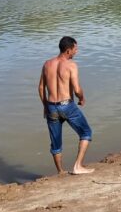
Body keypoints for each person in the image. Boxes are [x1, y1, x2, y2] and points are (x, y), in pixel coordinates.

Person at [38, 36, 94, 174]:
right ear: (68, 51)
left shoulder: (47, 64)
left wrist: (45, 106)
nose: (77, 51)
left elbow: (40, 88)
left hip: (51, 106)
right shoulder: (71, 65)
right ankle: (77, 166)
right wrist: (82, 98)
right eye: (75, 49)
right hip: (67, 105)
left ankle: (61, 172)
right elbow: (76, 89)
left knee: (56, 142)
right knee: (86, 132)